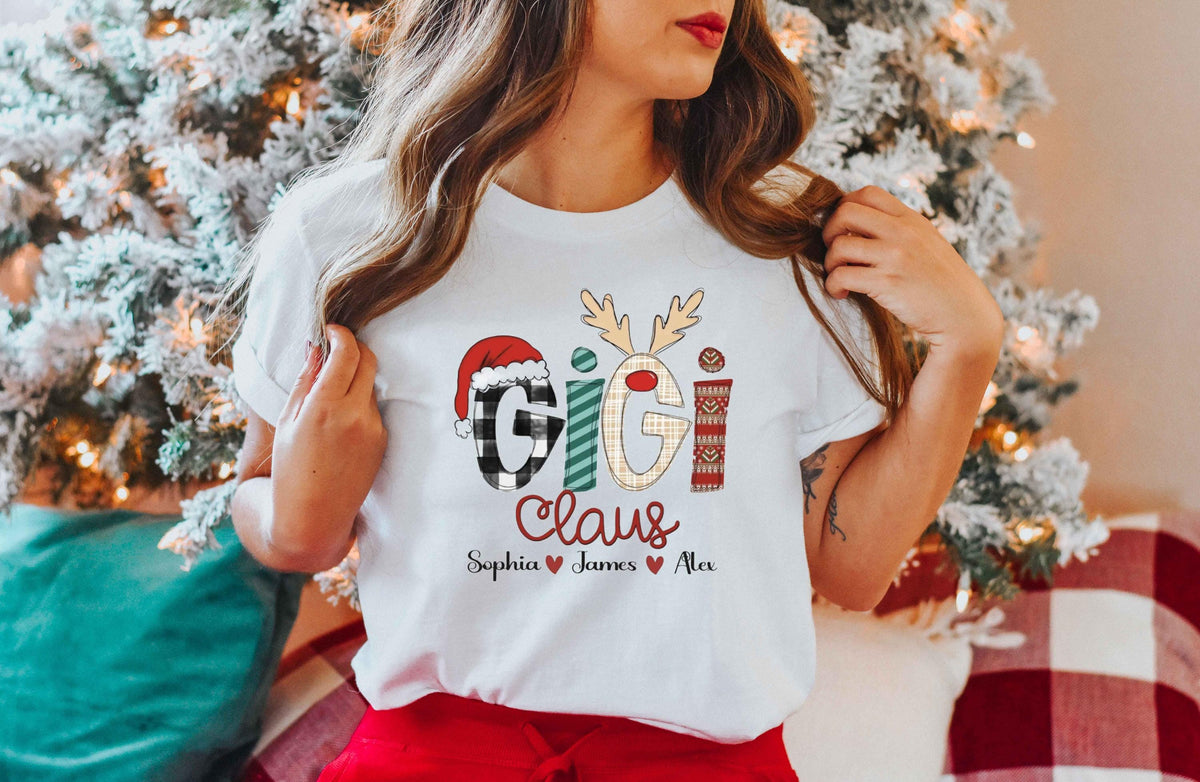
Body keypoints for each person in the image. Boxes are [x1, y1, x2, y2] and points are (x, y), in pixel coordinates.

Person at [219, 0, 1004, 779]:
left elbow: (849, 569)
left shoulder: (786, 244)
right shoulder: (345, 236)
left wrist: (969, 345)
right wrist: (300, 516)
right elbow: (271, 513)